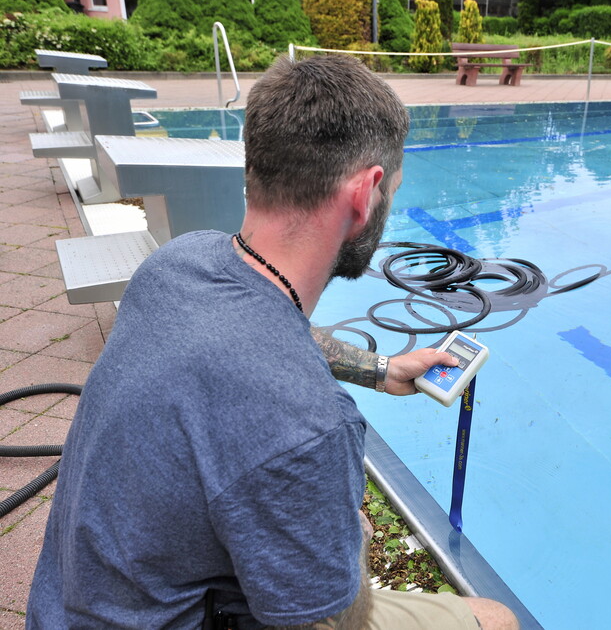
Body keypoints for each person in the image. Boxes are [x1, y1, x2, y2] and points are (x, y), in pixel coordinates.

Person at [26, 55, 519, 630]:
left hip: (65, 607)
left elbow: (271, 328)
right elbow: (336, 619)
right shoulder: (308, 425)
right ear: (366, 194)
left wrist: (380, 368)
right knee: (493, 618)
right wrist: (344, 532)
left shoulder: (178, 263)